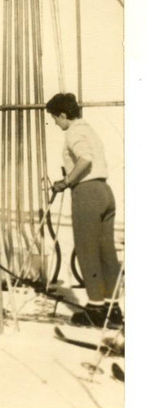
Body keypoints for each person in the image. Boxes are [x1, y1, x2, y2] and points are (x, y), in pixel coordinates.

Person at [45, 92, 123, 328]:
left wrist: (66, 181)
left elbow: (85, 159)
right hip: (105, 192)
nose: (56, 123)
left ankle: (96, 309)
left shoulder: (74, 132)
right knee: (106, 251)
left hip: (87, 193)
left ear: (63, 114)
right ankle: (112, 306)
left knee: (87, 250)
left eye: (55, 118)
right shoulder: (89, 129)